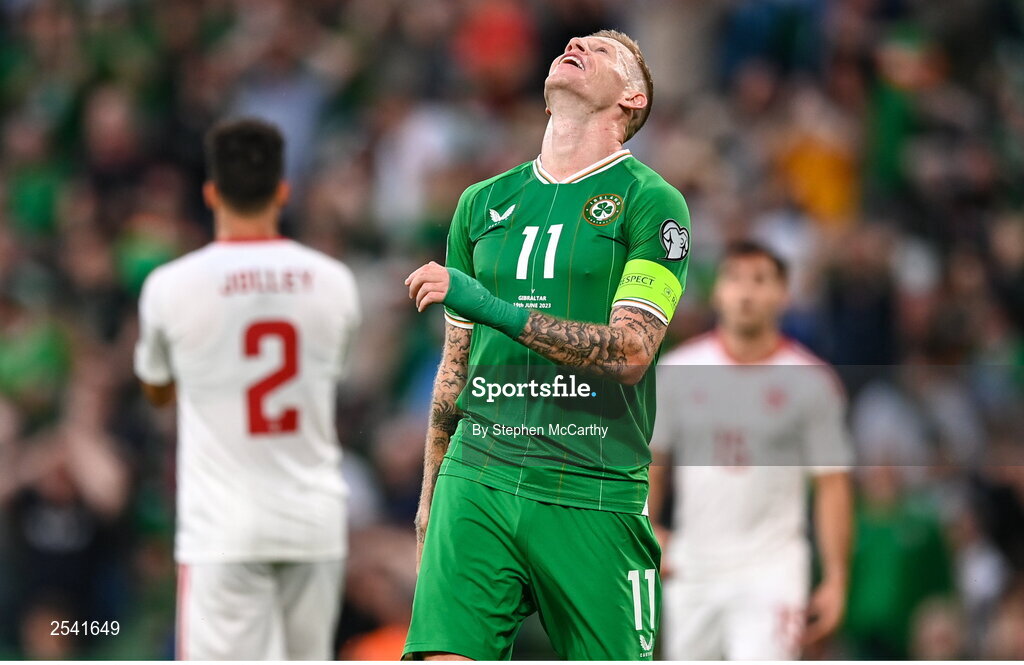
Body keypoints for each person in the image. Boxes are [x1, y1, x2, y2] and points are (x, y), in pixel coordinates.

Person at [403, 30, 690, 660]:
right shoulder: (481, 204)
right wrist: (430, 499)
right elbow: (455, 371)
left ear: (632, 99)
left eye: (604, 51)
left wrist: (488, 305)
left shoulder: (652, 203)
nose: (575, 44)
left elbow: (630, 353)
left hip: (591, 483)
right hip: (479, 472)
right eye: (574, 42)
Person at [134, 118, 360, 660]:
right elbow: (330, 379)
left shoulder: (170, 285)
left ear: (211, 193)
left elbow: (157, 391)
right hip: (313, 519)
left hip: (223, 527)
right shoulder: (334, 281)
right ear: (283, 191)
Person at [648, 240, 854, 660]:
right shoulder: (676, 372)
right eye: (735, 278)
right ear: (717, 291)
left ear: (783, 294)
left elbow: (832, 485)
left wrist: (835, 578)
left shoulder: (811, 382)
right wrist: (649, 529)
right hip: (692, 566)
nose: (746, 292)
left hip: (772, 568)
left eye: (760, 280)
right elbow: (653, 462)